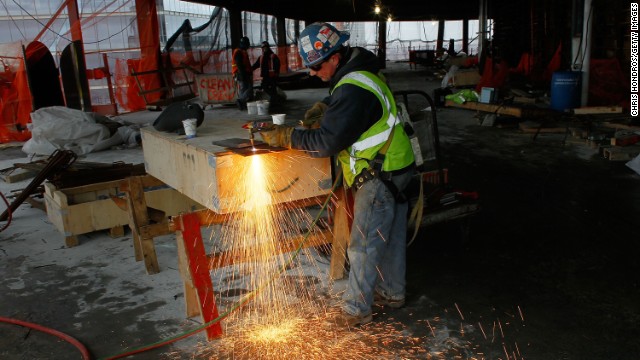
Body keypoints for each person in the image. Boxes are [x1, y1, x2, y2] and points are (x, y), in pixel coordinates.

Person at [259, 22, 415, 327]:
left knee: (364, 244)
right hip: (399, 167)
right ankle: (393, 293)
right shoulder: (362, 73)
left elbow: (326, 143)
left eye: (316, 66)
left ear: (334, 57)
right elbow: (356, 106)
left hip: (378, 175)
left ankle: (356, 310)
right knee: (391, 238)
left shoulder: (353, 87)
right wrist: (329, 104)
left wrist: (287, 137)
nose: (313, 73)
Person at [232, 36, 253, 110]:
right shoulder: (239, 52)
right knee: (248, 89)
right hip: (241, 74)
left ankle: (242, 104)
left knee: (243, 89)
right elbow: (239, 65)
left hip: (242, 73)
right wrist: (243, 75)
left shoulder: (242, 52)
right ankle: (240, 101)